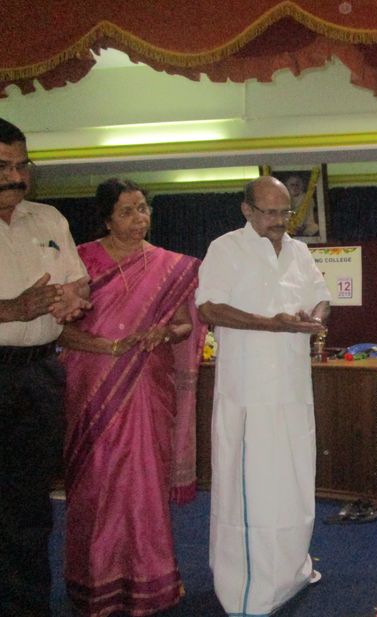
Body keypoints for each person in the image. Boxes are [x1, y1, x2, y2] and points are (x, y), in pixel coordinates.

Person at [59, 178, 205, 616]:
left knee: (145, 480)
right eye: (127, 211)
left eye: (143, 208)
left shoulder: (168, 265)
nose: (139, 218)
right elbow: (58, 329)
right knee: (97, 482)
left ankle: (150, 580)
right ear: (106, 219)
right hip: (93, 386)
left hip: (147, 384)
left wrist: (166, 332)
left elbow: (185, 323)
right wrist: (106, 347)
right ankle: (96, 582)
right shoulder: (80, 261)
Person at [196, 176, 330, 616]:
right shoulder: (226, 248)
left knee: (293, 487)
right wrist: (271, 324)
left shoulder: (299, 251)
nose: (278, 220)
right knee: (251, 493)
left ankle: (290, 572)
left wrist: (313, 318)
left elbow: (321, 298)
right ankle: (246, 591)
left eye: (284, 212)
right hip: (248, 394)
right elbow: (208, 308)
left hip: (294, 391)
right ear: (247, 210)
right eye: (269, 212)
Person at [0, 117, 90, 617]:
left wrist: (74, 299)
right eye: (3, 166)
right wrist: (11, 309)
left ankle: (27, 607)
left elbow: (78, 281)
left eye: (22, 165)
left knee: (30, 504)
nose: (16, 177)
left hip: (39, 375)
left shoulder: (49, 218)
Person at [284, 173, 320, 237]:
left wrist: (302, 226)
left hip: (304, 227)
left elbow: (309, 218)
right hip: (287, 227)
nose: (295, 187)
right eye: (292, 185)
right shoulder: (283, 198)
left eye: (297, 185)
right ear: (287, 186)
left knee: (314, 228)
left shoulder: (307, 198)